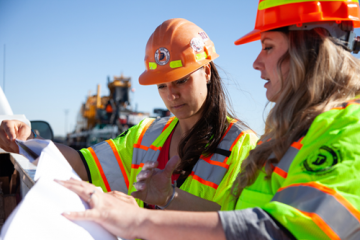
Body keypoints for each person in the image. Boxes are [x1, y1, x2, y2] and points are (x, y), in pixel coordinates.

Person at [58, 1, 360, 239]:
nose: (256, 62)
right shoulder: (282, 138)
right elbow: (232, 217)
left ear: (312, 45)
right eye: (162, 85)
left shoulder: (349, 128)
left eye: (268, 46)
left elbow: (280, 231)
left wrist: (138, 220)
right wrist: (168, 198)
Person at [0, 18, 257, 211]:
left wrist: (169, 199)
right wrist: (26, 141)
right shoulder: (146, 135)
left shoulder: (243, 146)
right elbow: (81, 164)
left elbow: (244, 229)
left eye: (181, 80)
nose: (171, 95)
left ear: (207, 72)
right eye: (162, 86)